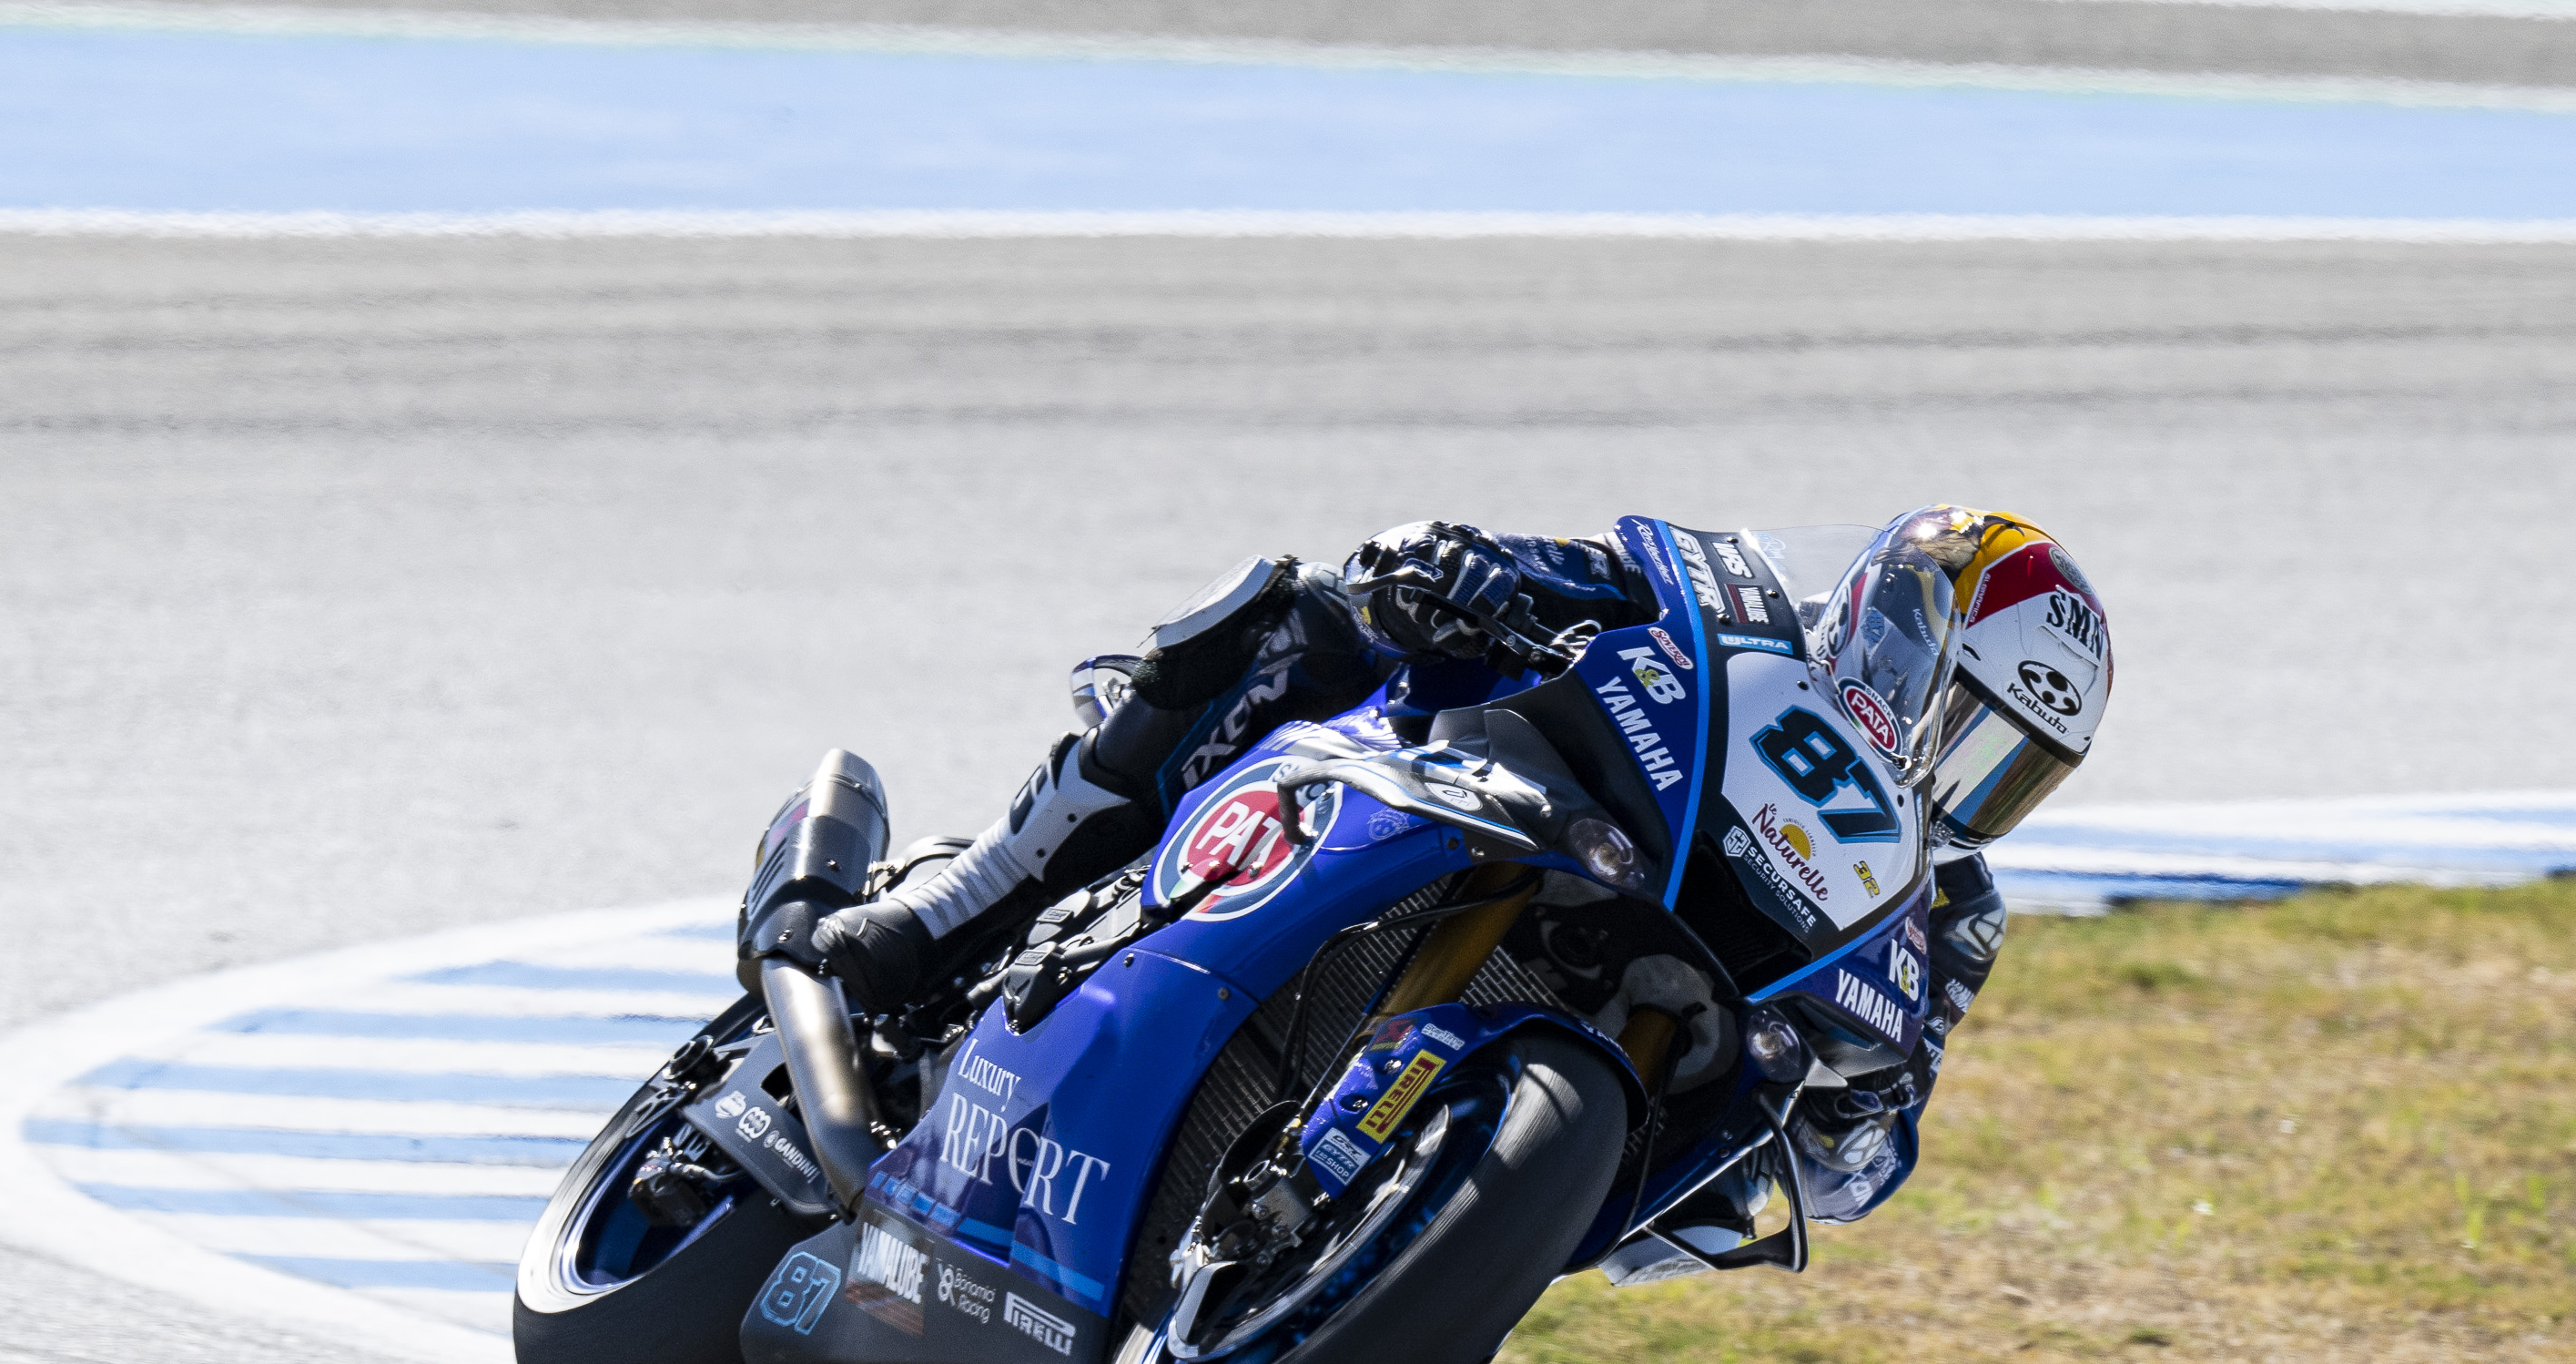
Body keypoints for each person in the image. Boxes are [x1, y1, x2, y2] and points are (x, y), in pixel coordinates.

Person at [803, 507, 2111, 1226]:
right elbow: (1545, 565)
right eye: (1971, 729)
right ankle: (957, 905)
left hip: (1659, 1004)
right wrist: (1453, 572)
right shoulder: (1741, 604)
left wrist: (1851, 1114)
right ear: (1901, 635)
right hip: (1484, 784)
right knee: (1291, 620)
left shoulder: (1948, 911)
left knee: (1728, 1200)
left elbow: (1875, 1152)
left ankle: (1366, 1252)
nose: (1967, 782)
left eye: (2014, 770)